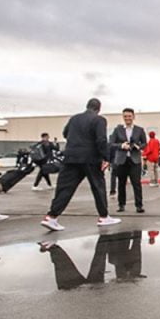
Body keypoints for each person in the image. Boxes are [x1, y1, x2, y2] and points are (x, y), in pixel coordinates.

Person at [40, 98, 121, 231]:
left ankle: (52, 216)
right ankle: (103, 216)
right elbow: (101, 140)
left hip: (71, 157)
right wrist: (106, 158)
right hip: (91, 158)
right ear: (98, 109)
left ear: (87, 106)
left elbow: (65, 133)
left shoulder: (74, 118)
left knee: (65, 188)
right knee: (98, 187)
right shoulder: (99, 120)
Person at [109, 107, 147, 213]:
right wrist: (121, 145)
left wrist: (138, 146)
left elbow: (144, 143)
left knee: (136, 183)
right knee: (121, 183)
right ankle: (121, 205)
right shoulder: (118, 130)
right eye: (125, 116)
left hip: (135, 160)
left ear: (133, 117)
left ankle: (139, 205)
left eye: (129, 116)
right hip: (121, 160)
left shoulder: (139, 130)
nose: (127, 118)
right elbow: (111, 144)